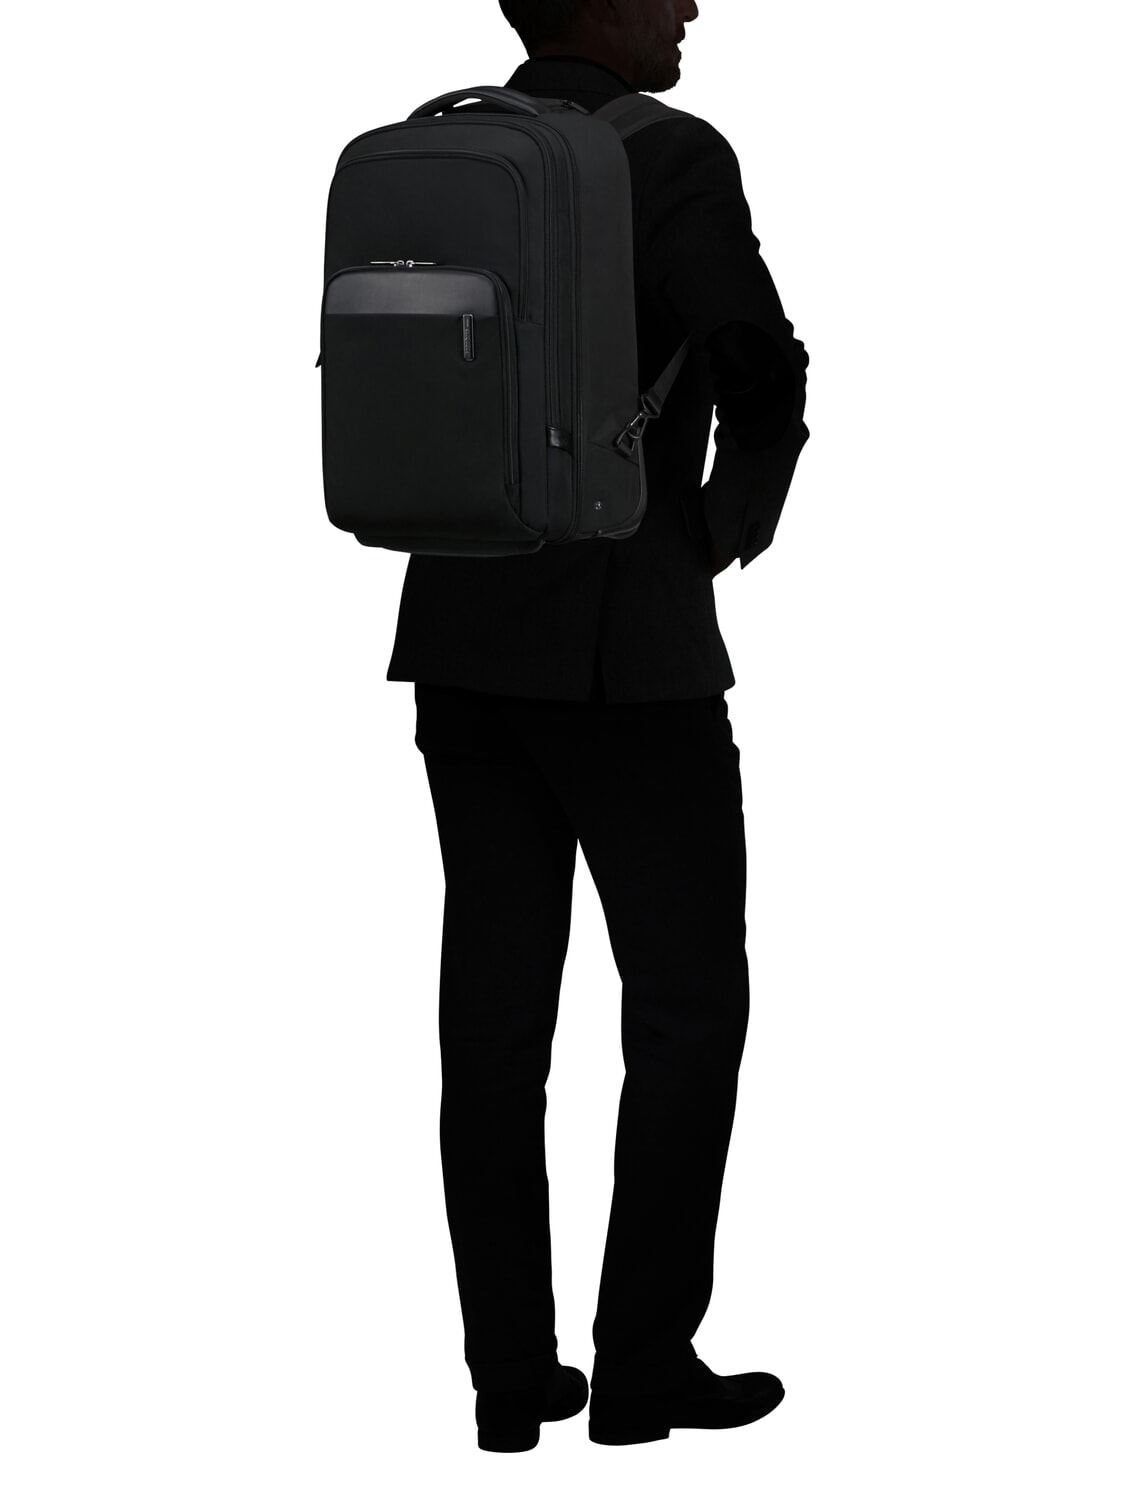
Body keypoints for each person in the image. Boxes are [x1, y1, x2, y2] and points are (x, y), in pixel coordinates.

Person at [387, 0, 810, 1451]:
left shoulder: (443, 153)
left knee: (493, 1022)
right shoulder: (668, 155)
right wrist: (716, 531)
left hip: (458, 630)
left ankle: (510, 1378)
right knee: (686, 1009)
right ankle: (640, 1367)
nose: (689, 5)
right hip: (629, 652)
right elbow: (760, 359)